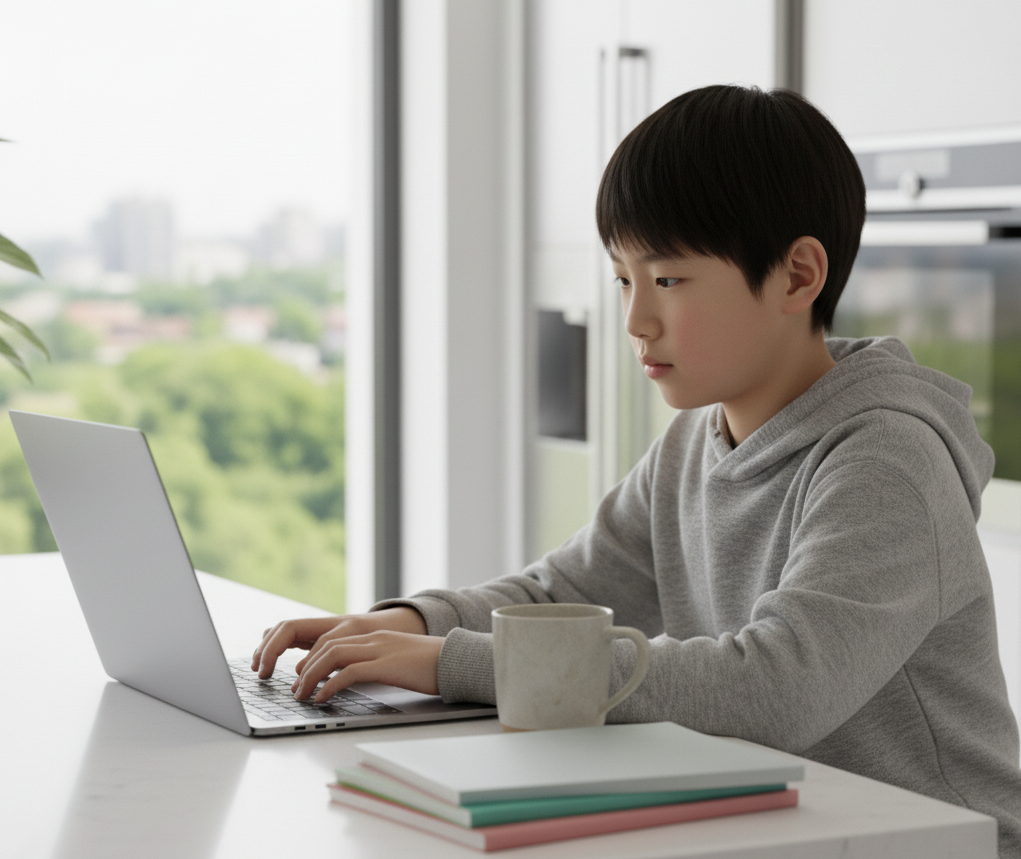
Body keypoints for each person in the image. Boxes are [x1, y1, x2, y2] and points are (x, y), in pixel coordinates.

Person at [252, 85, 1021, 855]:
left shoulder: (886, 459)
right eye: (623, 279)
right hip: (787, 825)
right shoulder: (696, 438)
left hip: (940, 839)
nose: (634, 321)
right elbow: (561, 592)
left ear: (795, 276)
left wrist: (452, 662)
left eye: (668, 280)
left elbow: (777, 684)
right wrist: (407, 624)